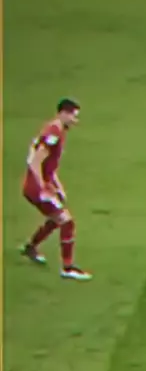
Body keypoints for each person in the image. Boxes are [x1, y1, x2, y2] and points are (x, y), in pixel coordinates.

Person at [20, 98, 92, 281]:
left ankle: (31, 247)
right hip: (37, 187)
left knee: (56, 219)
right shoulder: (54, 132)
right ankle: (68, 268)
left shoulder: (56, 129)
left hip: (40, 184)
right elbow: (36, 161)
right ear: (63, 113)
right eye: (73, 116)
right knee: (67, 221)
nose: (75, 121)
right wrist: (43, 186)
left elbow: (49, 167)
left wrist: (58, 186)